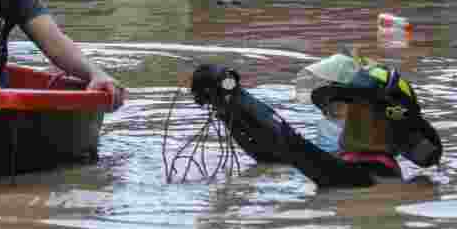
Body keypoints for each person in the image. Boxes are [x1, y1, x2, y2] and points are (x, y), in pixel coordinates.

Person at [189, 53, 442, 188]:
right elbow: (271, 155)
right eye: (339, 110)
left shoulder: (370, 177)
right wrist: (225, 107)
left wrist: (237, 94)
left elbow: (293, 146)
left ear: (383, 124)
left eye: (354, 110)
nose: (344, 118)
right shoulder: (345, 163)